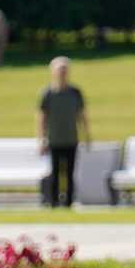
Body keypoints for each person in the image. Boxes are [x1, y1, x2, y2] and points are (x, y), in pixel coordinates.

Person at [38, 57, 88, 207]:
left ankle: (69, 202)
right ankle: (52, 202)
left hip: (71, 138)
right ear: (53, 72)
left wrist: (86, 135)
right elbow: (42, 116)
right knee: (55, 172)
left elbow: (82, 114)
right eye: (60, 70)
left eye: (65, 70)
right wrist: (41, 138)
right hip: (54, 139)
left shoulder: (75, 92)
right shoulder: (48, 93)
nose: (62, 73)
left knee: (70, 172)